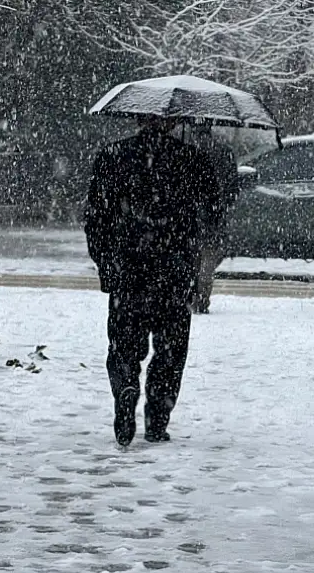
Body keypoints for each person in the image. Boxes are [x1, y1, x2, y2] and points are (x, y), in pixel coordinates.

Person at [85, 117, 224, 447]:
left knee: (123, 346)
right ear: (175, 123)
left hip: (128, 271)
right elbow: (215, 210)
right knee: (170, 351)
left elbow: (95, 216)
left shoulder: (114, 156)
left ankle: (124, 390)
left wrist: (106, 261)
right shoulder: (191, 160)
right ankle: (158, 419)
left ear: (136, 118)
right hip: (174, 272)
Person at [187, 127, 241, 314]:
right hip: (213, 216)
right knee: (208, 260)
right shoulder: (224, 152)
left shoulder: (185, 152)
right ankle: (202, 297)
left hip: (189, 217)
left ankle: (191, 294)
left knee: (190, 258)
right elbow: (234, 187)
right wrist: (222, 204)